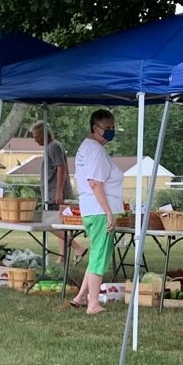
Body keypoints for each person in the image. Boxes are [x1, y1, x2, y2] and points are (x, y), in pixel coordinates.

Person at [68, 110, 124, 315]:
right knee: (100, 255)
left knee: (95, 254)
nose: (110, 131)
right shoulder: (96, 151)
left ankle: (81, 296)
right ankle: (93, 304)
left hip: (89, 209)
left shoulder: (86, 147)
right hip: (99, 211)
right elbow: (95, 183)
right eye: (106, 128)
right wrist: (109, 212)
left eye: (112, 127)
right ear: (94, 128)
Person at [31, 121, 84, 260]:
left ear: (44, 134)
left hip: (55, 193)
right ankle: (62, 256)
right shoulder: (49, 147)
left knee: (48, 224)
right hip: (51, 192)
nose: (34, 139)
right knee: (61, 224)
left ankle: (78, 247)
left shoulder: (54, 146)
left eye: (36, 136)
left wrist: (58, 192)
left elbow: (61, 168)